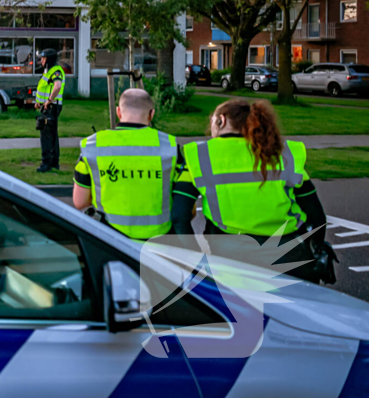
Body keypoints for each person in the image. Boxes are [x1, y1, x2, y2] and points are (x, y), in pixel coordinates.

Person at [173, 99, 328, 283]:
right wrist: (316, 248)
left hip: (231, 262)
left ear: (221, 121)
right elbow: (317, 216)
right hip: (289, 258)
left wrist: (194, 259)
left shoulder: (199, 155)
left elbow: (179, 216)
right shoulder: (284, 152)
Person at [73, 89, 179, 241]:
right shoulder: (170, 147)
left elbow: (80, 201)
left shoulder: (93, 146)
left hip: (111, 241)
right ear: (152, 114)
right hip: (159, 244)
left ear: (118, 112)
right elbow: (188, 209)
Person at [35, 48, 65, 172]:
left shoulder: (56, 71)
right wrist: (40, 102)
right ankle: (54, 162)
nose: (41, 60)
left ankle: (46, 163)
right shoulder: (49, 71)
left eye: (43, 58)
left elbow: (57, 86)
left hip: (51, 107)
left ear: (49, 60)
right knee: (52, 134)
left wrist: (49, 101)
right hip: (48, 106)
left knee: (46, 135)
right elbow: (47, 88)